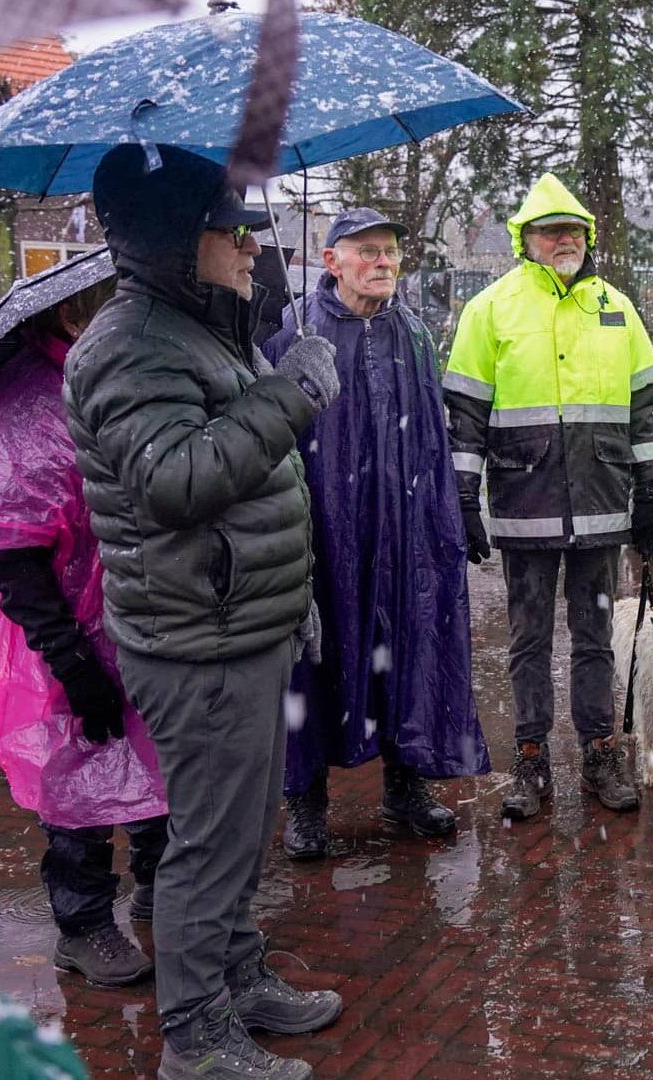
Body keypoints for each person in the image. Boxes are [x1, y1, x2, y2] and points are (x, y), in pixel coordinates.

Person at [66, 144, 343, 1080]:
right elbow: (180, 481)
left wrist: (286, 600)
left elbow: (243, 471)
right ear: (177, 243)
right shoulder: (127, 346)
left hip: (237, 622)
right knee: (207, 844)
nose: (250, 250)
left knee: (241, 825)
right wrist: (293, 391)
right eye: (231, 233)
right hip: (197, 640)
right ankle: (195, 1036)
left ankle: (236, 979)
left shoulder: (193, 324)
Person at [0, 274, 167, 989]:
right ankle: (84, 925)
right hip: (71, 634)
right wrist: (72, 659)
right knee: (77, 778)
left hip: (139, 617)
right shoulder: (35, 404)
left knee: (157, 761)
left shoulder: (111, 384)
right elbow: (8, 553)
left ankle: (164, 887)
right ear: (75, 315)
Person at [266, 208, 490, 859]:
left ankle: (407, 782)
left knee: (410, 645)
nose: (384, 262)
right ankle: (305, 801)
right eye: (366, 251)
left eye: (391, 251)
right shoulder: (295, 337)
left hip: (405, 532)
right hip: (324, 535)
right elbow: (276, 444)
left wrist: (444, 523)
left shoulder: (415, 335)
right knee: (315, 663)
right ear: (332, 261)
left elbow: (429, 438)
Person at [442, 174, 653, 820]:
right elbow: (464, 418)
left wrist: (651, 494)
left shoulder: (617, 309)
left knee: (595, 637)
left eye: (573, 229)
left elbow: (645, 412)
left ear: (587, 237)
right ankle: (531, 760)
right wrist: (462, 497)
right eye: (550, 230)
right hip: (524, 505)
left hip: (601, 506)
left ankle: (599, 752)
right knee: (528, 640)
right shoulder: (491, 310)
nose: (564, 238)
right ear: (526, 239)